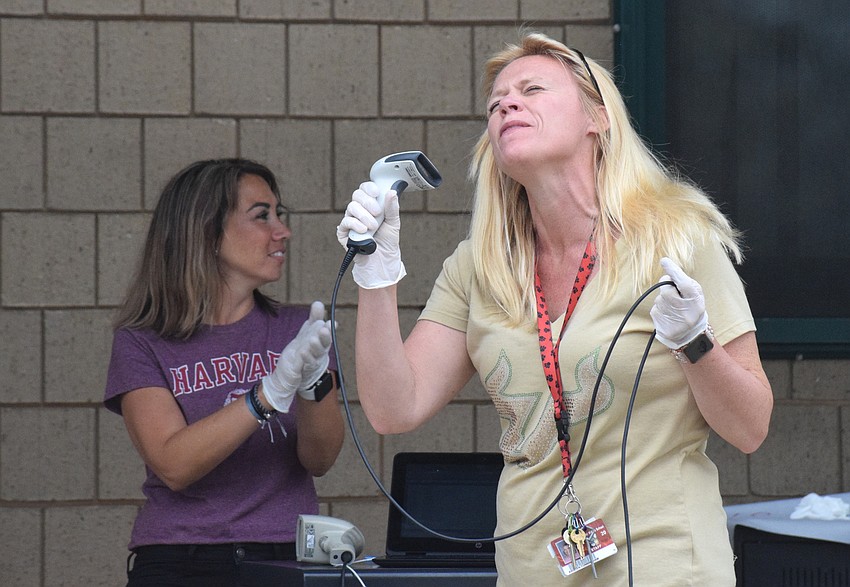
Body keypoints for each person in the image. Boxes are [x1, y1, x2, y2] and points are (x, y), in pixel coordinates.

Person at [336, 33, 773, 586]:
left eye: (532, 89)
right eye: (495, 103)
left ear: (598, 117)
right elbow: (392, 409)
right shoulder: (479, 265)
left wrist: (696, 344)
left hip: (664, 562)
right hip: (531, 568)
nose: (506, 105)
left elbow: (751, 427)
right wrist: (376, 275)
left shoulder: (676, 241)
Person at [104, 158, 344, 587]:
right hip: (180, 559)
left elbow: (320, 459)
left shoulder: (298, 330)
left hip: (283, 553)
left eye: (279, 214)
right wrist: (267, 394)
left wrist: (312, 383)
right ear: (207, 233)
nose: (282, 230)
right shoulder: (142, 340)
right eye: (262, 216)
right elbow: (173, 464)